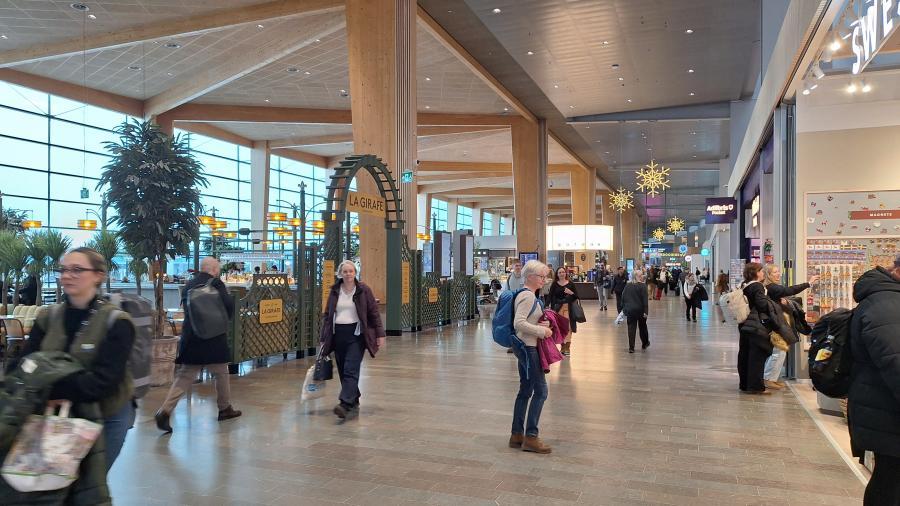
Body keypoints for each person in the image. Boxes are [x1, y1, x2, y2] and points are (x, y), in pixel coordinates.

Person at [17, 247, 137, 471]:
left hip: (106, 415)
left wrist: (49, 389)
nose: (67, 276)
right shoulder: (48, 316)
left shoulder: (116, 321)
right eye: (63, 270)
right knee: (51, 480)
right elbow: (24, 365)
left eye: (77, 270)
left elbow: (103, 380)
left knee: (90, 483)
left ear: (98, 275)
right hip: (55, 415)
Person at [156, 257, 241, 433]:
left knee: (185, 376)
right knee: (221, 372)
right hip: (213, 337)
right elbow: (228, 306)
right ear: (214, 269)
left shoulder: (189, 284)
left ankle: (164, 411)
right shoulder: (216, 284)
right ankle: (224, 408)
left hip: (192, 337)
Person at [848, 254, 900, 505]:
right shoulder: (886, 305)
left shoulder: (885, 300)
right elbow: (895, 361)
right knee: (890, 481)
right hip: (886, 411)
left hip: (882, 408)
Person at [320, 260, 386, 419]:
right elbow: (328, 315)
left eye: (351, 271)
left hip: (356, 335)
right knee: (342, 368)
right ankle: (353, 396)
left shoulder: (363, 290)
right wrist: (324, 337)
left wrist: (380, 334)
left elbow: (373, 312)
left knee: (351, 367)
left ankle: (344, 403)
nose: (348, 274)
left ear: (355, 273)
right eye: (345, 271)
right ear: (340, 274)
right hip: (337, 334)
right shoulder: (335, 290)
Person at [508, 260, 553, 454]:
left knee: (525, 390)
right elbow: (519, 323)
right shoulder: (527, 296)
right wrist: (541, 331)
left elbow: (526, 320)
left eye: (545, 277)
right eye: (541, 276)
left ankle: (517, 435)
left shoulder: (527, 295)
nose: (544, 280)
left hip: (525, 346)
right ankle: (531, 437)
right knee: (541, 391)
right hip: (529, 348)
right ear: (530, 277)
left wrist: (541, 325)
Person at [760, 264, 818, 390]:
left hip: (776, 324)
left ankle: (770, 378)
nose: (778, 274)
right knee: (778, 352)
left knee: (779, 352)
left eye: (778, 271)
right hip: (776, 325)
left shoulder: (770, 288)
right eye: (775, 272)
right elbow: (789, 290)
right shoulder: (772, 287)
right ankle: (768, 379)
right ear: (768, 275)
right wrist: (808, 283)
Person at [737, 263, 774, 394]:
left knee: (745, 354)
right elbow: (762, 304)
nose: (763, 273)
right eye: (761, 271)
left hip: (744, 324)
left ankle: (745, 384)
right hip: (756, 325)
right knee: (757, 356)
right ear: (756, 273)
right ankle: (756, 386)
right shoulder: (757, 286)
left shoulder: (744, 285)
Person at [549, 267, 579, 356]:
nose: (562, 274)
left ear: (565, 273)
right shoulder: (554, 284)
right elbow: (550, 296)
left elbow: (577, 296)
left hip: (568, 308)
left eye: (563, 272)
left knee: (568, 328)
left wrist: (571, 293)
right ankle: (563, 347)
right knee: (560, 328)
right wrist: (547, 306)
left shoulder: (571, 284)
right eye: (560, 272)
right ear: (557, 274)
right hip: (558, 309)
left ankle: (567, 348)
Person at [621, 270, 649, 353]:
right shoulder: (643, 286)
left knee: (631, 328)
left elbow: (623, 297)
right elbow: (645, 300)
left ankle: (631, 348)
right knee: (643, 327)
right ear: (636, 276)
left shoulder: (628, 285)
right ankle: (645, 343)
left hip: (630, 310)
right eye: (641, 275)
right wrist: (646, 312)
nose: (642, 276)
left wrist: (624, 308)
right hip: (640, 311)